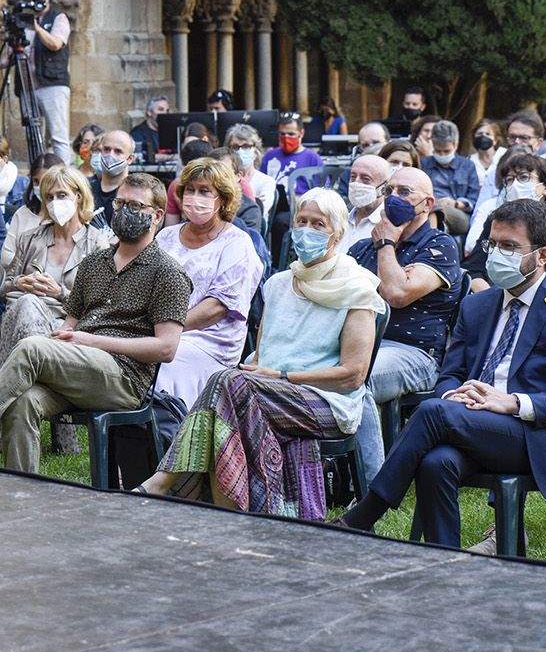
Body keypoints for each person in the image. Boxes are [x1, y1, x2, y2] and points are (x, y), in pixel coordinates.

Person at [338, 199, 546, 549]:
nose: (496, 254)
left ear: (542, 256)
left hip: (538, 436)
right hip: (471, 422)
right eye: (492, 244)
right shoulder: (478, 304)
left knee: (434, 412)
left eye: (509, 246)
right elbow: (449, 374)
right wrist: (455, 395)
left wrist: (511, 403)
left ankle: (366, 513)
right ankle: (444, 559)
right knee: (436, 461)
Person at [0, 173, 190, 471]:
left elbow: (166, 348)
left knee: (33, 348)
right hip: (80, 366)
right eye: (120, 203)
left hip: (124, 378)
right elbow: (71, 321)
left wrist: (88, 340)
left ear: (157, 215)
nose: (125, 211)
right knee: (22, 401)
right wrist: (64, 336)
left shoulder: (167, 273)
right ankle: (22, 493)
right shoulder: (95, 263)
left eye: (135, 206)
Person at [140, 189, 384, 517]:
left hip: (326, 401)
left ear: (337, 234)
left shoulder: (357, 287)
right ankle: (232, 510)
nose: (306, 230)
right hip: (267, 393)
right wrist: (255, 369)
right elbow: (263, 351)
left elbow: (353, 375)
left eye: (318, 224)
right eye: (301, 221)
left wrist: (282, 377)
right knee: (231, 386)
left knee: (231, 385)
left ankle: (168, 482)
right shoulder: (279, 285)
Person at [347, 166, 465, 483]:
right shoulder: (360, 247)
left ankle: (375, 488)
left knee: (357, 379)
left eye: (404, 192)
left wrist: (386, 246)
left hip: (415, 354)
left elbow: (397, 293)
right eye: (389, 191)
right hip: (362, 343)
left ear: (427, 204)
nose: (393, 198)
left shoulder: (439, 245)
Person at [0, 164, 116, 456]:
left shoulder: (97, 244)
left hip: (70, 324)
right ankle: (61, 434)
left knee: (31, 311)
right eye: (49, 197)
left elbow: (101, 304)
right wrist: (20, 282)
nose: (55, 203)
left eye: (62, 195)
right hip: (23, 318)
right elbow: (0, 287)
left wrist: (60, 293)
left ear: (79, 197)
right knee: (27, 304)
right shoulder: (30, 238)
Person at [152, 158, 264, 406]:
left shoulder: (237, 243)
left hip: (210, 341)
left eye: (204, 191)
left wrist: (166, 329)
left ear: (222, 199)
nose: (194, 197)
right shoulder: (167, 237)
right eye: (190, 190)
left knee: (165, 360)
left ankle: (170, 433)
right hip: (161, 329)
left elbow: (217, 307)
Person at [0, 0, 72, 161]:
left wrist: (36, 28)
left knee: (58, 136)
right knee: (33, 136)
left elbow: (56, 44)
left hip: (52, 84)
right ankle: (38, 173)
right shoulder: (22, 19)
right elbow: (12, 50)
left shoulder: (58, 17)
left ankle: (66, 177)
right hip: (27, 87)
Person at [464, 151, 546, 277]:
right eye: (509, 180)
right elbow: (474, 269)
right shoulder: (496, 221)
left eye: (524, 177)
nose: (515, 185)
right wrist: (492, 295)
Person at [1, 152, 66, 265]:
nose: (40, 187)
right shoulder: (22, 214)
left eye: (46, 181)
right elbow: (6, 256)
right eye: (36, 181)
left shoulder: (68, 216)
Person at [421, 120, 479, 237]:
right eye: (438, 151)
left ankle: (430, 240)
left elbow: (474, 199)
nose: (442, 155)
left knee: (435, 209)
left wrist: (456, 203)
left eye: (446, 151)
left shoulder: (467, 166)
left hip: (458, 213)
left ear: (455, 144)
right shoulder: (423, 164)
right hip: (426, 209)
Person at [261, 111, 322, 194]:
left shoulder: (313, 159)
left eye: (291, 134)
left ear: (301, 133)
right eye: (282, 134)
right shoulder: (269, 156)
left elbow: (320, 192)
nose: (286, 138)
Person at [224, 122, 277, 218]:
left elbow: (259, 210)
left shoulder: (266, 181)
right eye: (235, 147)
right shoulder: (223, 178)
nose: (240, 151)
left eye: (246, 146)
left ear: (256, 150)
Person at [343, 154, 391, 250]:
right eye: (353, 177)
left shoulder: (389, 224)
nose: (356, 183)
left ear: (384, 188)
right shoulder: (340, 217)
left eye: (366, 179)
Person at [163, 136, 213, 226]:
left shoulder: (177, 184)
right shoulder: (176, 185)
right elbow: (170, 228)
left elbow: (170, 224)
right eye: (190, 190)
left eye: (204, 191)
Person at [88, 129, 135, 223]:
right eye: (106, 149)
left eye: (118, 151)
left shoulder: (135, 194)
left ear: (130, 159)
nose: (110, 155)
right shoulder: (86, 188)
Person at [470, 118, 503, 208]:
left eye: (488, 134)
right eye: (479, 134)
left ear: (495, 140)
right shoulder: (469, 161)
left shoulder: (504, 155)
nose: (483, 136)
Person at [131, 95, 171, 159]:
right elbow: (141, 156)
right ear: (149, 112)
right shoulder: (138, 133)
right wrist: (170, 157)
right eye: (161, 109)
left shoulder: (171, 132)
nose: (165, 113)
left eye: (167, 111)